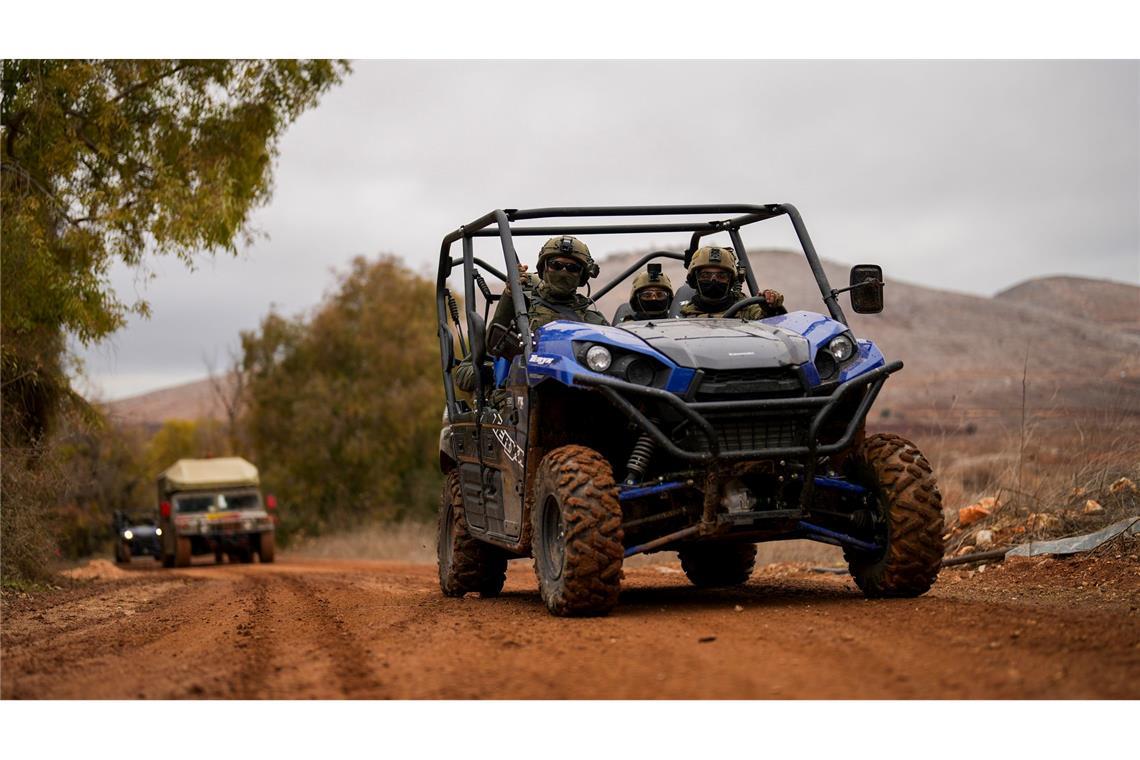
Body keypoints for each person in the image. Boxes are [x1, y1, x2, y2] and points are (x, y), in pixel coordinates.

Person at [453, 235, 606, 392]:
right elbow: (464, 374)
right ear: (543, 268)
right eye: (556, 265)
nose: (563, 272)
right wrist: (496, 371)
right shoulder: (519, 310)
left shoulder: (594, 322)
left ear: (582, 276)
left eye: (572, 268)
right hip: (521, 403)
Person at [677, 245, 786, 319]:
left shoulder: (746, 309)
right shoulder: (683, 315)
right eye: (705, 275)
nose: (713, 280)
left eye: (721, 276)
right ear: (695, 280)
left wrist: (770, 307)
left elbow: (772, 323)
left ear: (731, 280)